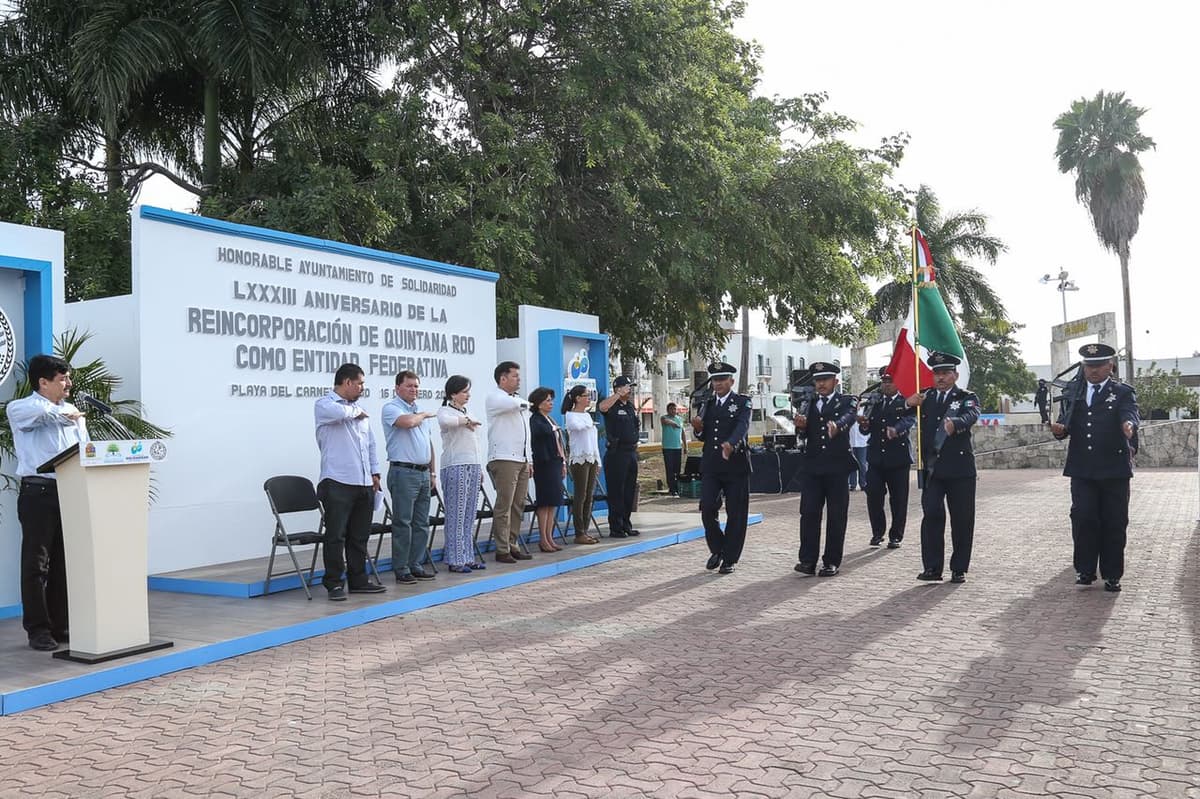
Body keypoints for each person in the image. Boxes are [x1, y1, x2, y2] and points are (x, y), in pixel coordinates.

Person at [7, 354, 82, 650]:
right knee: (36, 564)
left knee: (63, 564)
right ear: (43, 382)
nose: (69, 384)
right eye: (62, 379)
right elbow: (41, 415)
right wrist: (64, 415)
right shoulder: (21, 408)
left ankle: (60, 626)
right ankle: (37, 629)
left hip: (70, 491)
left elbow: (84, 449)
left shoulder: (71, 410)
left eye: (68, 378)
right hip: (38, 494)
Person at [1050, 343, 1139, 592]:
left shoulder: (1121, 392)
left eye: (1099, 366)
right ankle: (1085, 570)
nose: (1093, 371)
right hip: (1083, 469)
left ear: (1110, 366)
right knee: (1083, 518)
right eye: (1089, 366)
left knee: (1114, 521)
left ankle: (1112, 574)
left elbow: (1130, 413)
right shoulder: (1074, 391)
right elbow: (1065, 422)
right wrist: (1059, 430)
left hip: (1114, 469)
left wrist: (1129, 425)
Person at [895, 352, 980, 584]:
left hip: (960, 470)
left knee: (962, 520)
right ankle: (932, 567)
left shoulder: (966, 397)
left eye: (946, 373)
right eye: (937, 373)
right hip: (932, 470)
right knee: (931, 514)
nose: (941, 377)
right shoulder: (926, 397)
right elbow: (897, 412)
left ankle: (959, 568)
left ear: (955, 375)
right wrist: (907, 403)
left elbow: (972, 414)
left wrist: (957, 423)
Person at [314, 363, 388, 601]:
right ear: (347, 382)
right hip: (337, 480)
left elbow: (370, 444)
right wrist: (356, 412)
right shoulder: (325, 404)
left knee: (359, 535)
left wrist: (375, 472)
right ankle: (334, 583)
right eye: (360, 383)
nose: (362, 388)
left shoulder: (359, 410)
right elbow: (339, 413)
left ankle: (358, 580)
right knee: (336, 535)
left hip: (363, 481)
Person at [792, 362, 859, 577]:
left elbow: (849, 417)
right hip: (813, 467)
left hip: (837, 467)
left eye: (825, 380)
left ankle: (831, 561)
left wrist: (837, 425)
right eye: (818, 380)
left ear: (835, 381)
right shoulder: (807, 403)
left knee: (836, 516)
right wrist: (800, 427)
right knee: (809, 513)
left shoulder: (847, 401)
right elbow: (802, 435)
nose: (821, 384)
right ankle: (807, 560)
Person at [690, 361, 751, 574]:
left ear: (731, 381)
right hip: (712, 464)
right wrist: (698, 429)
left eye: (722, 380)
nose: (718, 384)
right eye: (715, 380)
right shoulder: (707, 403)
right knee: (707, 508)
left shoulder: (742, 402)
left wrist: (731, 444)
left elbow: (742, 426)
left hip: (735, 464)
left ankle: (730, 558)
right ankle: (717, 549)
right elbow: (702, 434)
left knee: (736, 514)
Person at [382, 370, 439, 586]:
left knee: (421, 523)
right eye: (409, 386)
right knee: (403, 523)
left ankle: (416, 564)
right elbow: (407, 423)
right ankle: (402, 568)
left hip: (423, 473)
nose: (414, 389)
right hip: (403, 472)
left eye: (416, 386)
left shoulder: (418, 411)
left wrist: (432, 472)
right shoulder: (391, 408)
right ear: (397, 388)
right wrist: (423, 415)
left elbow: (428, 444)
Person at [436, 375, 488, 573]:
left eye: (468, 391)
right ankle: (455, 559)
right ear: (453, 394)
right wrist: (465, 421)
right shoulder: (445, 411)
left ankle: (467, 557)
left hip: (472, 465)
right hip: (455, 464)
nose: (468, 395)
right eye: (464, 391)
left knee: (469, 514)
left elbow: (475, 443)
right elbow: (446, 421)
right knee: (456, 514)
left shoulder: (468, 412)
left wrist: (479, 467)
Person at [486, 361, 534, 563]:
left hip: (521, 458)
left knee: (518, 504)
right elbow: (517, 405)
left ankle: (513, 544)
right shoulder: (496, 397)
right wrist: (527, 404)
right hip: (504, 457)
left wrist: (529, 459)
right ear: (502, 378)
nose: (518, 379)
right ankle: (502, 548)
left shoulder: (517, 400)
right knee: (504, 505)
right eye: (515, 376)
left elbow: (526, 433)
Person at [860, 369, 913, 548]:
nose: (887, 384)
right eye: (884, 381)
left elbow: (909, 421)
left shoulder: (906, 401)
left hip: (898, 458)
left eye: (890, 381)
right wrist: (864, 425)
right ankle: (877, 532)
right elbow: (865, 429)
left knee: (898, 499)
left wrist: (896, 429)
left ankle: (896, 535)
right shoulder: (874, 401)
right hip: (876, 457)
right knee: (873, 496)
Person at [599, 375, 640, 538]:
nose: (629, 390)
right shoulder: (612, 405)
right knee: (617, 491)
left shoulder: (629, 407)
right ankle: (616, 527)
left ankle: (626, 524)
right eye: (627, 387)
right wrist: (617, 394)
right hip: (617, 453)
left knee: (629, 491)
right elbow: (602, 407)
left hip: (631, 453)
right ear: (618, 388)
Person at [561, 385, 600, 544]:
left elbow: (594, 441)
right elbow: (575, 427)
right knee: (580, 495)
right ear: (577, 398)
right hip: (579, 459)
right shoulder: (571, 415)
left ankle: (585, 529)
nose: (588, 398)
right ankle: (579, 531)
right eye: (586, 395)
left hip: (591, 457)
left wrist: (598, 461)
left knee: (589, 496)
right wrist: (590, 425)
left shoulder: (587, 416)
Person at [529, 386, 566, 552]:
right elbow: (541, 433)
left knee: (553, 502)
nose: (551, 403)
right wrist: (553, 429)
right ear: (538, 403)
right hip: (544, 464)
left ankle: (550, 537)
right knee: (545, 502)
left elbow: (559, 441)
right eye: (547, 401)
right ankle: (543, 538)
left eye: (551, 400)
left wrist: (563, 462)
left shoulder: (550, 419)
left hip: (555, 463)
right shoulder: (536, 420)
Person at [660, 402, 687, 496]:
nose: (673, 411)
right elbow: (665, 421)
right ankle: (672, 488)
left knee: (677, 469)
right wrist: (673, 424)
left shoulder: (680, 419)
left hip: (677, 447)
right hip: (668, 448)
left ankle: (677, 487)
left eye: (675, 409)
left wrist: (685, 446)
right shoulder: (664, 417)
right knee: (669, 469)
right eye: (671, 409)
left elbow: (683, 433)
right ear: (668, 410)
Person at [847, 418, 869, 491]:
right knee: (852, 463)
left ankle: (863, 483)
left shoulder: (864, 412)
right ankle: (852, 484)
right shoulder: (850, 413)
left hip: (862, 442)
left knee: (862, 464)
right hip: (851, 442)